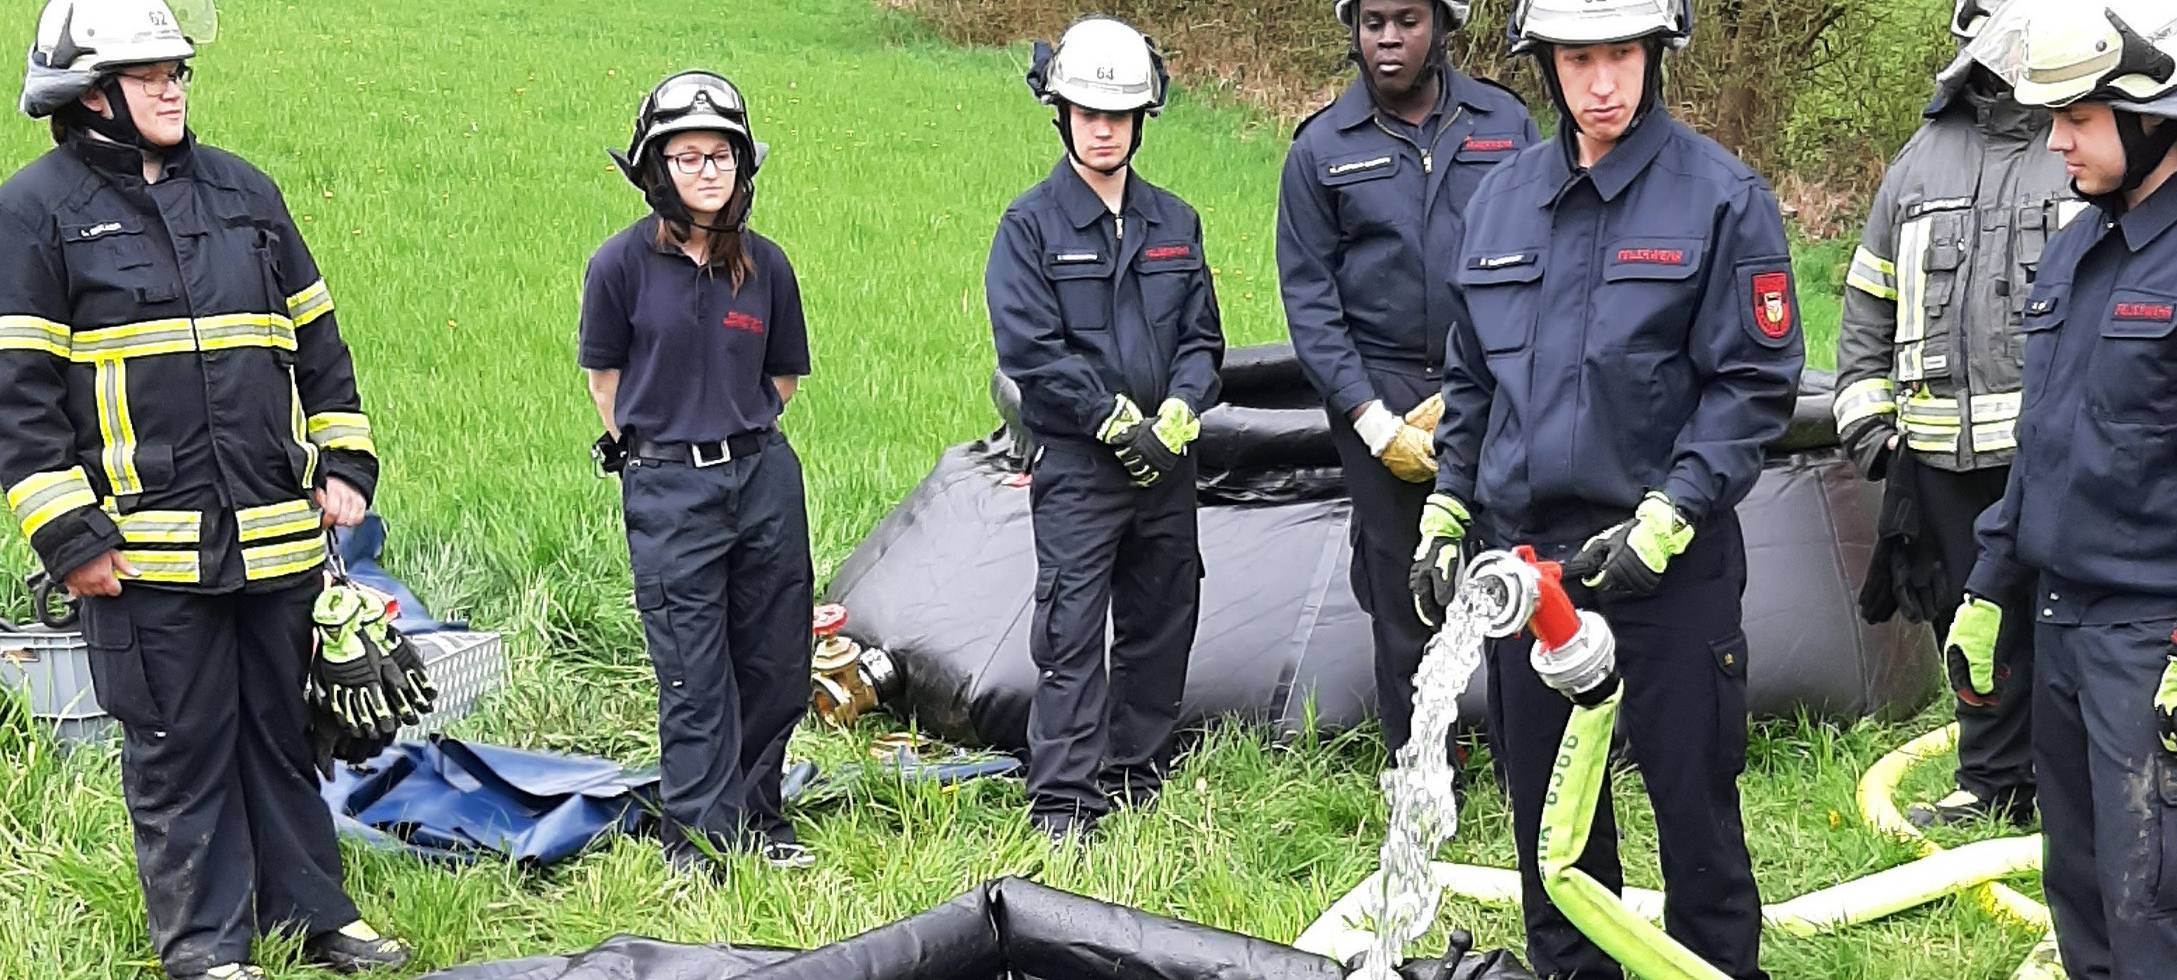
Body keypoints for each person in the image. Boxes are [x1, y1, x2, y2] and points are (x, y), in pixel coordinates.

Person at [0, 1, 407, 976]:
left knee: (282, 734)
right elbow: (17, 395)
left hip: (273, 540)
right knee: (178, 750)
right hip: (139, 554)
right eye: (151, 74)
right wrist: (69, 534)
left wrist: (346, 463)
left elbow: (319, 341)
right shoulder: (34, 212)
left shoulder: (246, 193)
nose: (175, 85)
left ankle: (315, 913)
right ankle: (209, 947)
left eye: (178, 69)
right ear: (90, 94)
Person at [1410, 0, 1802, 975]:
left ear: (1653, 53)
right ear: (1541, 62)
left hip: (1669, 563)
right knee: (1552, 832)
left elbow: (1751, 384)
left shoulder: (1720, 198)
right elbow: (1469, 378)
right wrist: (1446, 507)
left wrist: (1668, 515)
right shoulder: (1498, 203)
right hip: (1531, 570)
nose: (1600, 83)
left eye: (1619, 55)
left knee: (1694, 818)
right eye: (1577, 57)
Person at [1950, 2, 2177, 974]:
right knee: (2078, 886)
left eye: (2076, 118)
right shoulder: (2076, 249)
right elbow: (2040, 446)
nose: (2054, 141)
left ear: (2150, 115)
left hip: (2150, 638)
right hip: (2057, 622)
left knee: (2152, 901)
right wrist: (1984, 586)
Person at [1832, 0, 2076, 830]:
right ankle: (1991, 783)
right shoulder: (1916, 162)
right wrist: (1870, 430)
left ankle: (2074, 782)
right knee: (1965, 626)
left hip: (2052, 458)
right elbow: (1866, 300)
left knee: (2062, 624)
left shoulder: (2083, 140)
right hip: (1935, 459)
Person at [984, 15, 1224, 842]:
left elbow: (1203, 340)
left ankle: (1135, 772)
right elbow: (1029, 350)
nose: (1102, 128)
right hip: (1081, 468)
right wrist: (1113, 420)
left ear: (1140, 120)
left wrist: (1179, 413)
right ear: (1061, 114)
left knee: (1164, 615)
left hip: (1168, 465)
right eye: (1088, 112)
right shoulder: (1028, 228)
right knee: (1072, 627)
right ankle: (1063, 800)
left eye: (1117, 115)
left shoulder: (1175, 224)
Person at [1276, 0, 1536, 757]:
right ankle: (1421, 765)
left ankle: (1530, 757)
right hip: (1377, 390)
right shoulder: (1320, 149)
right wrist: (1371, 419)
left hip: (1488, 387)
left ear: (1443, 25)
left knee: (1512, 568)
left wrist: (1475, 394)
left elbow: (1534, 261)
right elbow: (1310, 301)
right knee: (1402, 589)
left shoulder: (1504, 124)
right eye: (1372, 23)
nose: (1387, 40)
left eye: (1407, 21)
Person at [580, 70, 816, 874]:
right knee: (693, 671)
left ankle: (759, 815)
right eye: (687, 156)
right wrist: (665, 452)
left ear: (742, 167)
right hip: (668, 487)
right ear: (656, 168)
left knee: (775, 659)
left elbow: (780, 380)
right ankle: (699, 835)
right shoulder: (617, 267)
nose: (707, 171)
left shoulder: (769, 267)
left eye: (721, 155)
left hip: (762, 477)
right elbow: (605, 383)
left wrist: (733, 433)